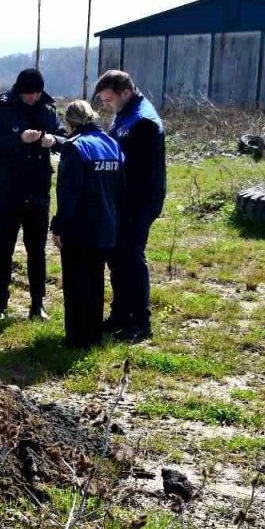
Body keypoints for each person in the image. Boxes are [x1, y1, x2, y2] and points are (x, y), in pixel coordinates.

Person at [0, 68, 67, 320]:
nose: (32, 99)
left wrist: (53, 140)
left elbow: (64, 138)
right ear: (19, 91)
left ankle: (37, 304)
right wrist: (18, 138)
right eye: (28, 95)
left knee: (37, 251)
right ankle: (0, 306)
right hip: (7, 191)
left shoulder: (48, 109)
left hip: (38, 190)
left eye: (36, 94)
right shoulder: (0, 108)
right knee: (3, 250)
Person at [94, 70, 166, 341]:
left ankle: (140, 321)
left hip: (138, 201)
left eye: (109, 99)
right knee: (117, 258)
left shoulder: (143, 121)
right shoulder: (125, 113)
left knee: (131, 258)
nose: (106, 105)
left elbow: (140, 172)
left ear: (125, 92)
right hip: (121, 201)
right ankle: (120, 314)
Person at [52, 100, 122, 348]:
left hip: (80, 228)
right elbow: (120, 189)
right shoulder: (112, 144)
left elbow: (69, 194)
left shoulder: (74, 147)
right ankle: (94, 333)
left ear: (69, 123)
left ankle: (76, 338)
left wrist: (59, 226)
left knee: (75, 283)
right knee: (95, 280)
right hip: (106, 226)